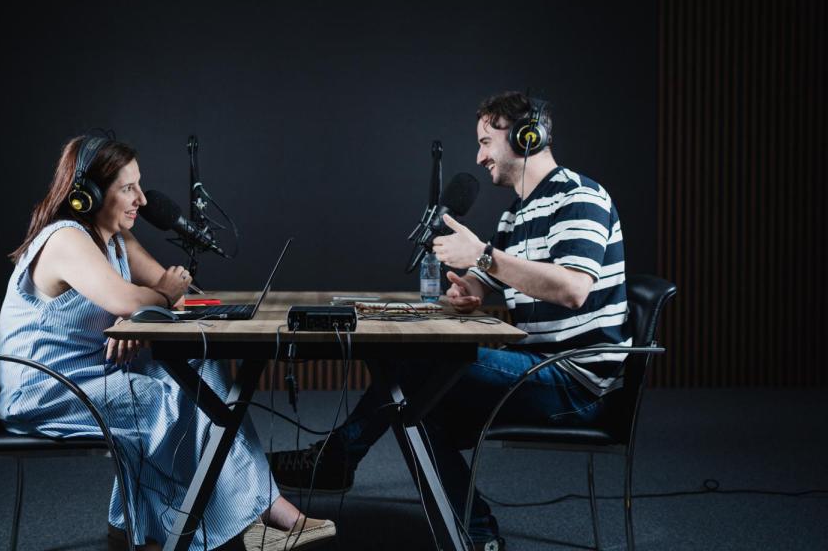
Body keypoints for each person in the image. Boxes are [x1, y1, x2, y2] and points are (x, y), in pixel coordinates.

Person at [269, 92, 631, 551]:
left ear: (526, 136)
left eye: (486, 141)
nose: (478, 157)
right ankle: (476, 536)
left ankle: (338, 458)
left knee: (414, 370)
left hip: (576, 383)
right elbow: (489, 280)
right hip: (539, 364)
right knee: (416, 404)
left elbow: (573, 288)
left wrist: (482, 255)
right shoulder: (517, 213)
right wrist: (469, 289)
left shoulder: (579, 197)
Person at [0, 135, 335, 551]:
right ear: (90, 194)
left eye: (139, 185)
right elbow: (148, 294)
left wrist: (141, 305)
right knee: (161, 403)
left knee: (201, 372)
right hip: (46, 388)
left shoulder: (117, 240)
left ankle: (160, 524)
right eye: (127, 189)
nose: (142, 198)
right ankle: (221, 523)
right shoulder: (66, 239)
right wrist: (137, 304)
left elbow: (165, 289)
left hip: (95, 374)